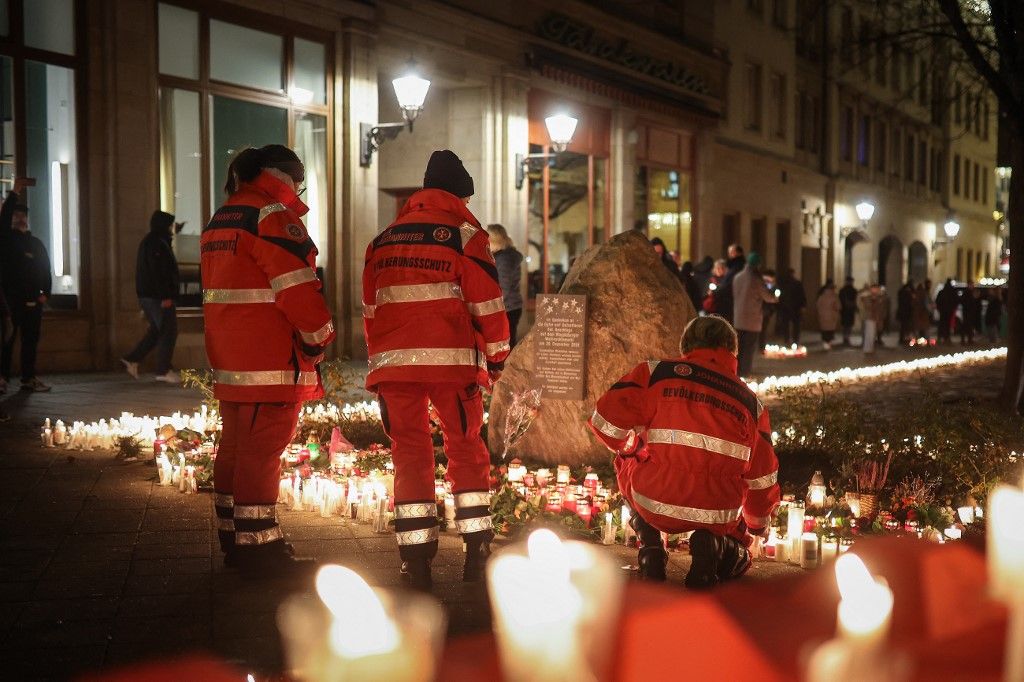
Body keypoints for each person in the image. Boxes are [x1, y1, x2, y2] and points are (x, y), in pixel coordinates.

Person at [363, 150, 510, 591]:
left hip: (394, 366)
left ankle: (416, 561)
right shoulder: (465, 235)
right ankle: (476, 553)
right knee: (466, 448)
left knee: (409, 451)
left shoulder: (383, 239)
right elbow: (488, 305)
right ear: (458, 195)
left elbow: (371, 309)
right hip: (452, 363)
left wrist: (382, 356)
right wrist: (499, 359)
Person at [202, 145, 335, 573]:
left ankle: (234, 537)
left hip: (231, 358)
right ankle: (260, 549)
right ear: (287, 177)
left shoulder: (222, 217)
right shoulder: (271, 214)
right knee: (262, 453)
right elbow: (297, 287)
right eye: (300, 182)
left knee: (235, 449)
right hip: (270, 357)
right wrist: (318, 340)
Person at [588, 315, 780, 588]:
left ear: (686, 345)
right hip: (716, 512)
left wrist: (634, 448)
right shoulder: (752, 405)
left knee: (625, 459)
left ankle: (651, 548)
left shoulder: (656, 375)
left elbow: (604, 423)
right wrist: (758, 527)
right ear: (732, 352)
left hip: (653, 499)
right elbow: (762, 478)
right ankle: (711, 546)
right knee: (736, 539)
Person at [0, 178, 52, 392]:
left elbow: (45, 269)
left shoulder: (36, 243)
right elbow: (2, 222)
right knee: (7, 342)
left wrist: (46, 293)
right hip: (12, 301)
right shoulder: (6, 240)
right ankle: (2, 378)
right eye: (16, 215)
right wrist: (15, 193)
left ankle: (28, 378)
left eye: (23, 216)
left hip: (34, 301)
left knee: (30, 341)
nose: (20, 219)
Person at [122, 210, 180, 382]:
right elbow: (159, 272)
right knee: (168, 329)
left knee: (157, 330)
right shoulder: (157, 243)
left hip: (151, 295)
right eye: (170, 225)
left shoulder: (154, 241)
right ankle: (163, 370)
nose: (172, 229)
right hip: (157, 296)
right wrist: (165, 295)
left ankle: (133, 358)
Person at [732, 252, 777, 377]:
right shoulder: (756, 279)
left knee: (739, 348)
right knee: (748, 348)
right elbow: (767, 297)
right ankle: (745, 372)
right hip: (752, 320)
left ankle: (736, 370)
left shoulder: (737, 277)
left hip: (738, 318)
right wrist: (774, 298)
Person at [487, 224, 524, 348]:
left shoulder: (504, 259)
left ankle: (507, 367)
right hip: (511, 306)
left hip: (507, 307)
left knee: (506, 343)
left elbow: (504, 286)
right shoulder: (504, 256)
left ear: (493, 240)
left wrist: (493, 306)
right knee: (508, 341)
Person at [776, 268, 806, 346]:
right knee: (793, 325)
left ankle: (789, 340)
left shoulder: (784, 284)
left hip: (789, 307)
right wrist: (803, 306)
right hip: (792, 307)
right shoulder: (794, 283)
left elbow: (801, 295)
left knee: (789, 325)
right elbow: (802, 296)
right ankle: (793, 340)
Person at [858, 284, 887, 352]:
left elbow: (881, 306)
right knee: (869, 332)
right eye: (875, 289)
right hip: (869, 316)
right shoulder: (867, 297)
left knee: (873, 333)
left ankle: (870, 347)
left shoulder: (879, 297)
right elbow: (867, 306)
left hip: (875, 317)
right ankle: (868, 348)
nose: (876, 290)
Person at [816, 280, 841, 350]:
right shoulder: (834, 296)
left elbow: (818, 305)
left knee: (824, 330)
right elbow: (838, 306)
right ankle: (829, 343)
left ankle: (825, 343)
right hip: (832, 316)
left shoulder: (821, 296)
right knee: (830, 330)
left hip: (823, 315)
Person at [935, 279, 959, 344]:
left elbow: (937, 301)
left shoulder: (942, 292)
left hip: (943, 311)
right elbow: (956, 301)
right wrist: (953, 308)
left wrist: (939, 308)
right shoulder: (952, 292)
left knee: (942, 324)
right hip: (949, 311)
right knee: (947, 325)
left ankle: (940, 337)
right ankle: (947, 338)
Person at [838, 277, 858, 346]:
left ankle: (845, 338)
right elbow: (856, 300)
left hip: (844, 310)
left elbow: (840, 300)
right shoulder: (854, 290)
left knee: (845, 325)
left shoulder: (842, 290)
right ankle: (847, 338)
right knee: (849, 324)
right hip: (849, 310)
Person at [896, 281, 915, 346]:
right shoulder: (907, 294)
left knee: (903, 326)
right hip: (906, 312)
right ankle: (903, 339)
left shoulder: (901, 292)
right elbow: (908, 303)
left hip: (903, 312)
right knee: (905, 326)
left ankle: (903, 339)